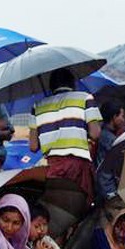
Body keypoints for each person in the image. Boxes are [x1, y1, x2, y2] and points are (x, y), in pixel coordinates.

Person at [29, 69, 102, 203]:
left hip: (52, 165)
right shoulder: (85, 98)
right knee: (80, 206)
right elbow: (95, 134)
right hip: (78, 164)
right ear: (73, 84)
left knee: (56, 206)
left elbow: (33, 146)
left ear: (51, 86)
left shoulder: (37, 106)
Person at [95, 100, 125, 204]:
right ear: (114, 117)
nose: (123, 120)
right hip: (108, 187)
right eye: (122, 116)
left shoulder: (102, 133)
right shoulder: (109, 139)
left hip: (103, 186)